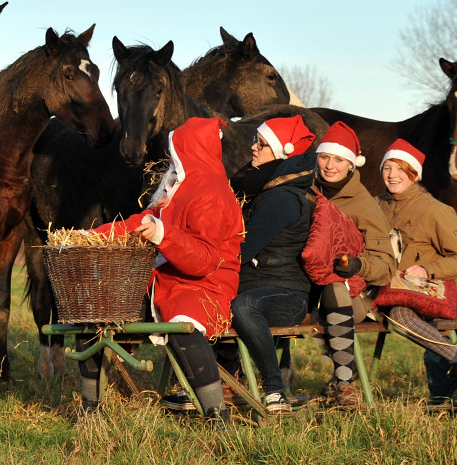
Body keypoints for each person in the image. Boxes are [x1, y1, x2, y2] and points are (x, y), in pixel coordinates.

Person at [78, 117, 244, 426]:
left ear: (189, 152)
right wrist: (91, 237)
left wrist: (162, 235)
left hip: (206, 286)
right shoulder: (178, 189)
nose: (170, 159)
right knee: (94, 313)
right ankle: (90, 412)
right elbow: (138, 223)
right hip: (165, 280)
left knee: (185, 326)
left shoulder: (211, 194)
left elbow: (206, 260)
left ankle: (217, 417)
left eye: (174, 152)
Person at [377, 138, 457, 404]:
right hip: (378, 287)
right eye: (387, 168)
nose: (392, 175)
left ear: (414, 173)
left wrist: (428, 269)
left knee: (399, 314)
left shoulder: (435, 210)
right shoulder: (375, 204)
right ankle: (344, 386)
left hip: (416, 294)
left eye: (400, 169)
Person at [224, 116, 317, 414]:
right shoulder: (264, 188)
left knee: (244, 306)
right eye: (255, 140)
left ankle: (275, 389)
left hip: (287, 295)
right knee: (215, 296)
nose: (253, 148)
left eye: (261, 144)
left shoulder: (280, 198)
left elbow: (242, 247)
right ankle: (224, 381)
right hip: (257, 285)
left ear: (282, 153)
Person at [311, 121, 396, 407]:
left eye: (338, 159)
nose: (330, 165)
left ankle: (345, 384)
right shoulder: (307, 190)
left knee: (335, 288)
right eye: (325, 157)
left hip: (351, 295)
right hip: (304, 286)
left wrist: (358, 265)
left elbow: (386, 264)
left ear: (352, 165)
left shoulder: (364, 205)